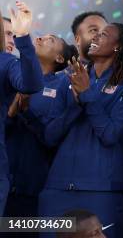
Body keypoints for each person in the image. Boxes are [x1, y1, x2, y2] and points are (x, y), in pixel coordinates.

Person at [39, 23, 123, 238]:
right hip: (57, 188)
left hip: (101, 191)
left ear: (118, 48)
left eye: (104, 34)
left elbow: (111, 134)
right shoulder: (69, 77)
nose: (96, 36)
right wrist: (77, 105)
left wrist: (87, 95)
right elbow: (50, 136)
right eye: (96, 32)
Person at [4, 35, 77, 225]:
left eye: (51, 40)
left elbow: (51, 137)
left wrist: (27, 113)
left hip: (30, 186)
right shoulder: (12, 75)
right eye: (43, 35)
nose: (41, 38)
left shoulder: (62, 86)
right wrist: (11, 115)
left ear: (60, 59)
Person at [0, 3, 44, 214]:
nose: (10, 39)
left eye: (12, 34)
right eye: (6, 34)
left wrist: (23, 37)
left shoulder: (8, 63)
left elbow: (32, 84)